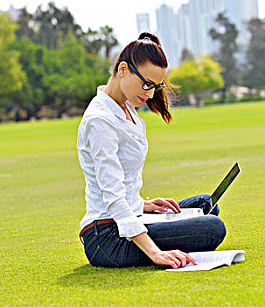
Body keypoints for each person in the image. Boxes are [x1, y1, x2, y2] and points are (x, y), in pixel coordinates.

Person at [77, 32, 226, 269]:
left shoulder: (125, 108)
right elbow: (112, 195)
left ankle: (161, 222)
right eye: (146, 84)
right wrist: (155, 253)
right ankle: (153, 240)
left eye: (155, 87)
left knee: (206, 203)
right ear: (123, 69)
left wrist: (142, 204)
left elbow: (124, 181)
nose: (149, 94)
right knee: (212, 227)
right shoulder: (100, 121)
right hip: (107, 239)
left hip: (130, 216)